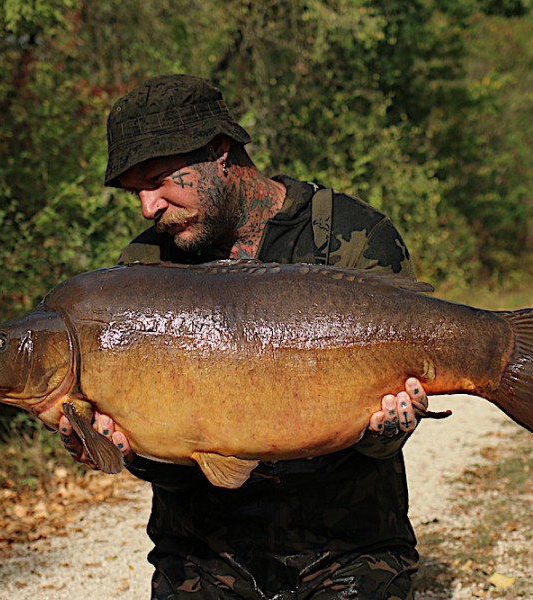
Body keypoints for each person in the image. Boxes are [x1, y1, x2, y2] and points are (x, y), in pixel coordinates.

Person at [57, 74, 430, 600]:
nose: (148, 207)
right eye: (135, 192)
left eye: (160, 179)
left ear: (219, 151)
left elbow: (384, 437)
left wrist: (388, 429)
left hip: (347, 545)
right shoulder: (142, 272)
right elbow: (161, 453)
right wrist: (120, 447)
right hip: (204, 553)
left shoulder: (348, 237)